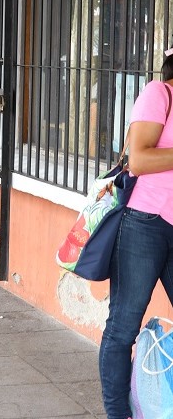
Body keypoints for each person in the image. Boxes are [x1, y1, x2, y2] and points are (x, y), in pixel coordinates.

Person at [99, 48, 173, 419]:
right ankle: (117, 414)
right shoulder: (160, 94)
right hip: (145, 223)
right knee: (123, 326)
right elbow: (139, 160)